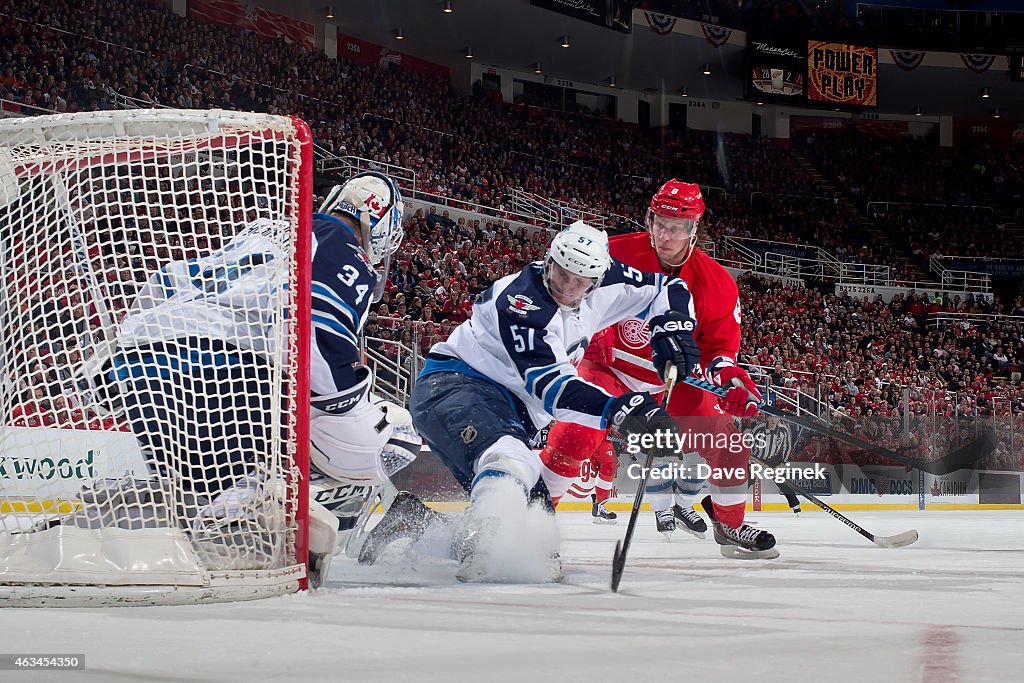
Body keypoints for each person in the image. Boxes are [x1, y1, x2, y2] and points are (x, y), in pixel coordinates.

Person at [75, 171, 420, 587]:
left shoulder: (264, 232)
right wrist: (346, 403)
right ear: (381, 222)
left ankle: (128, 516)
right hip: (224, 368)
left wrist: (114, 367)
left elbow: (166, 280)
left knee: (197, 487)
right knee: (395, 433)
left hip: (138, 367)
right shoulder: (342, 247)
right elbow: (317, 328)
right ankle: (267, 509)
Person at [407, 220, 701, 582]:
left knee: (530, 539)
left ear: (598, 279)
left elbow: (668, 287)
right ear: (549, 260)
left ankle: (414, 527)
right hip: (455, 385)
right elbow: (553, 388)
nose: (567, 286)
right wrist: (620, 409)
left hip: (512, 410)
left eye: (580, 281)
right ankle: (480, 546)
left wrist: (672, 326)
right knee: (510, 458)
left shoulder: (605, 281)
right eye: (561, 273)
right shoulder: (522, 304)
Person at [539, 180, 777, 558]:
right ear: (649, 218)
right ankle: (532, 520)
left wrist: (732, 380)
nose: (665, 235)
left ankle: (729, 524)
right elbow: (564, 293)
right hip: (608, 366)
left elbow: (719, 349)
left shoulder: (715, 282)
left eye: (677, 228)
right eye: (660, 223)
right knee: (575, 436)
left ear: (694, 230)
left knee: (728, 446)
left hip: (673, 380)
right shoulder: (613, 253)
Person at [748, 412, 801, 514]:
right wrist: (751, 463)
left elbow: (787, 446)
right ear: (767, 418)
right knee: (748, 479)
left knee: (782, 480)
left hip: (772, 458)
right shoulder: (758, 429)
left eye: (776, 416)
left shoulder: (783, 429)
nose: (773, 419)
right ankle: (732, 503)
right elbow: (749, 445)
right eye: (771, 416)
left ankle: (795, 504)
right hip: (756, 458)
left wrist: (782, 463)